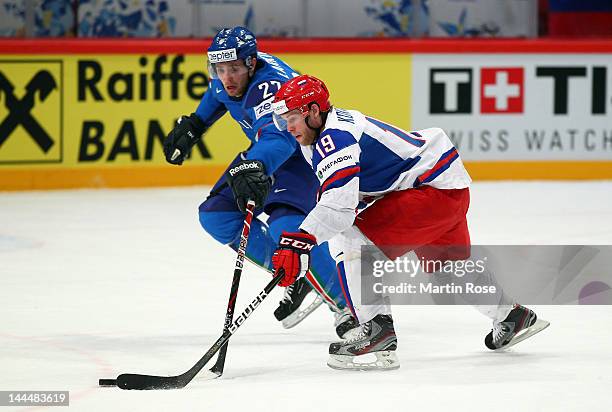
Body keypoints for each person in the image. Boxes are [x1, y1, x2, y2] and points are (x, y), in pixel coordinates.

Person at [270, 74, 550, 371]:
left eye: (294, 118)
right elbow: (347, 196)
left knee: (349, 236)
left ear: (314, 111)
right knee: (448, 269)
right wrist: (306, 235)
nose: (289, 127)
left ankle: (376, 329)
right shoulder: (325, 134)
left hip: (431, 193)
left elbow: (340, 209)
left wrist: (301, 240)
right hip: (445, 189)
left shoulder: (334, 138)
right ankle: (512, 316)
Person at [162, 27, 358, 337]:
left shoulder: (270, 86)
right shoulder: (226, 75)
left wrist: (256, 164)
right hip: (262, 155)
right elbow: (217, 95)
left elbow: (281, 137)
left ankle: (347, 306)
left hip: (299, 156)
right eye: (220, 68)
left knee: (286, 229)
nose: (227, 77)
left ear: (251, 64)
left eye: (235, 69)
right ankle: (298, 275)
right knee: (216, 215)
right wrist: (194, 126)